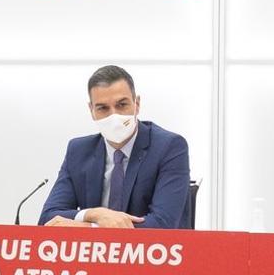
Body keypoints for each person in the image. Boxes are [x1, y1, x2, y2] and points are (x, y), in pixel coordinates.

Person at [39, 65, 190, 229]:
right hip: (93, 254)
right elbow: (49, 218)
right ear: (91, 110)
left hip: (150, 252)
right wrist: (95, 214)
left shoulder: (169, 147)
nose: (113, 115)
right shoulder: (79, 150)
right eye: (103, 108)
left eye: (122, 104)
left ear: (136, 104)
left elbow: (162, 224)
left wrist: (92, 228)